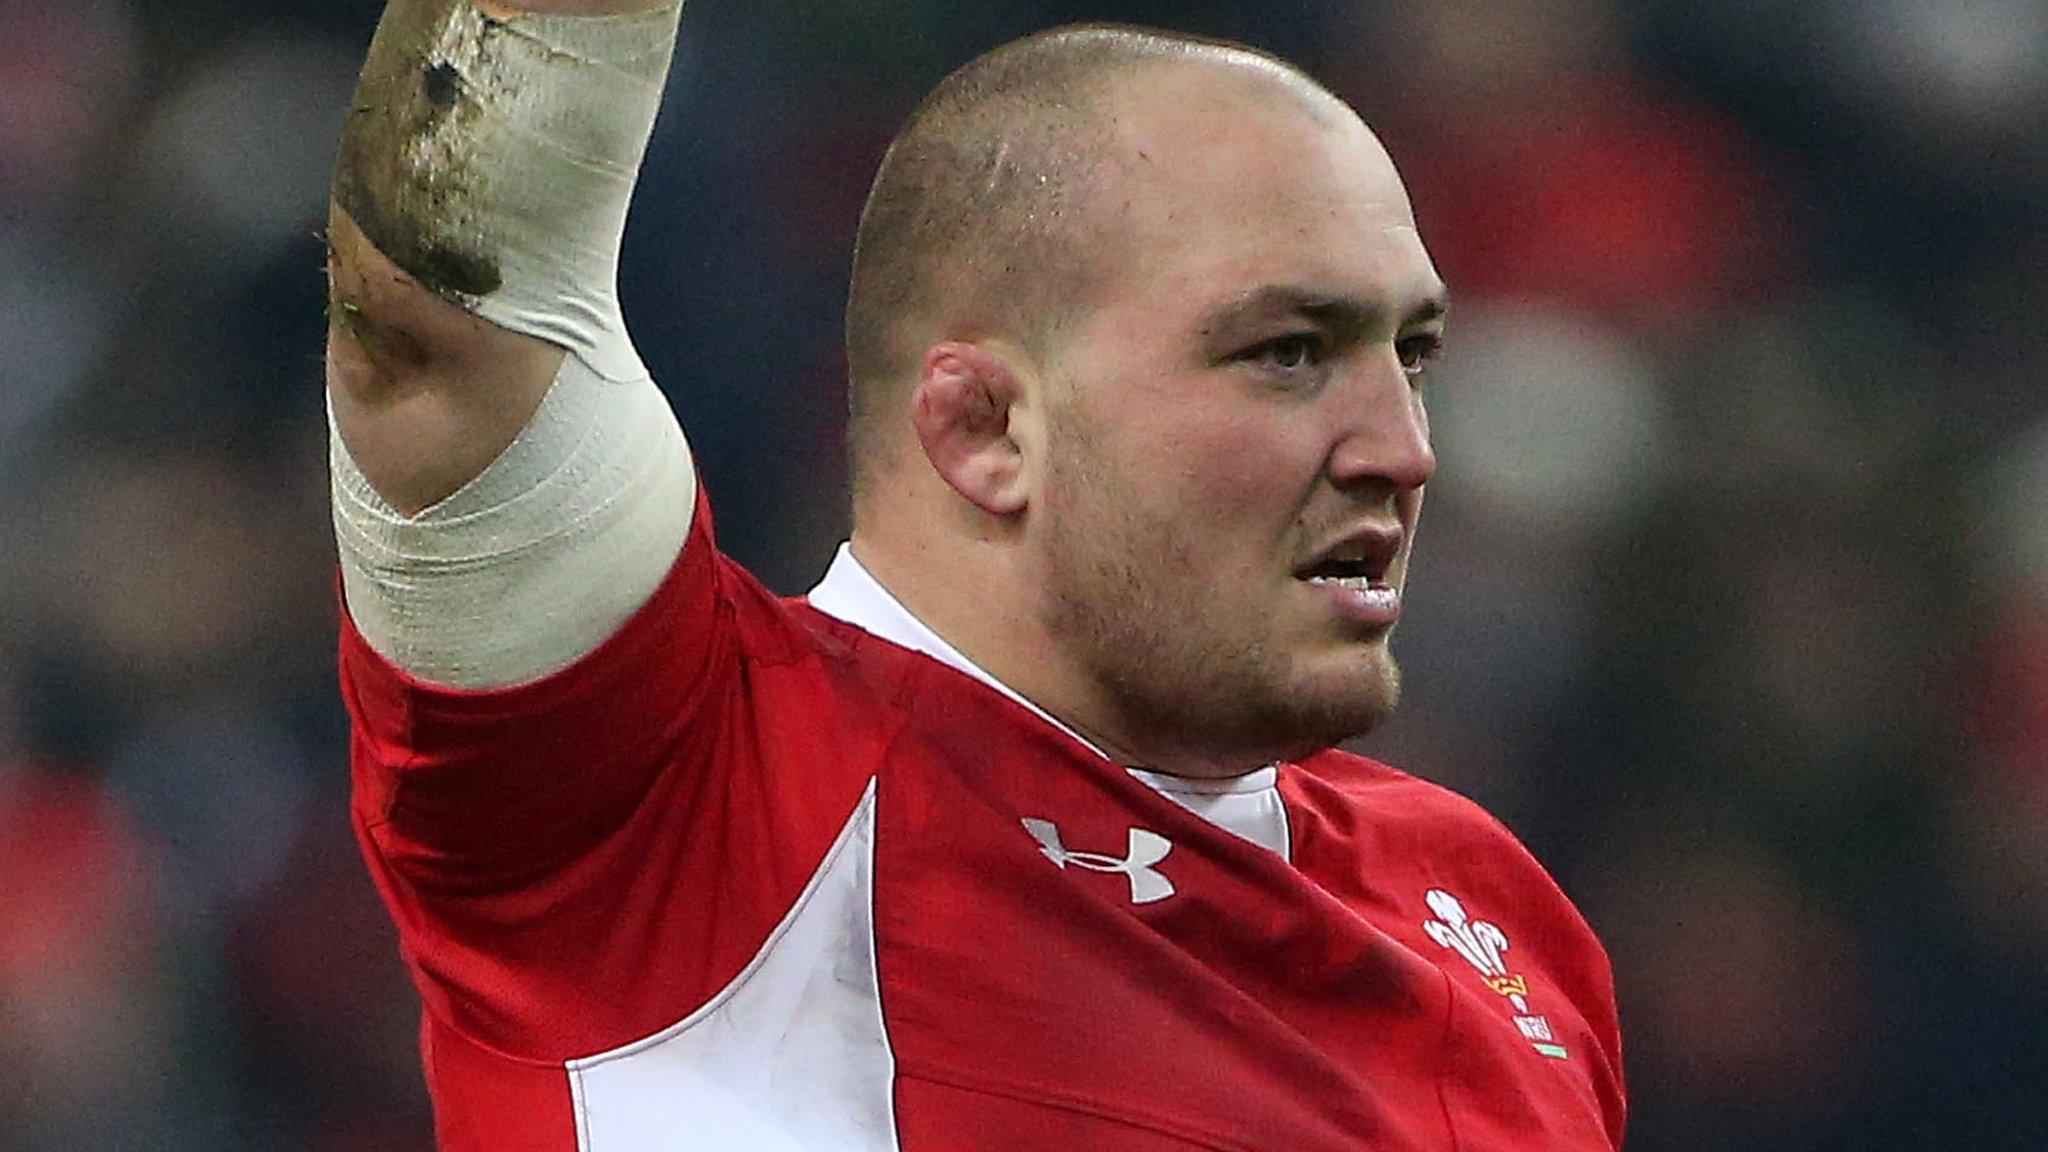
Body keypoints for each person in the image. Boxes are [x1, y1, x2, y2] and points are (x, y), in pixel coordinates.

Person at [325, 0, 1626, 1148]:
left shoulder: (1485, 905)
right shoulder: (672, 789)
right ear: (986, 430)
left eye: (1412, 356)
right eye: (1287, 353)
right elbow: (439, 316)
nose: (1404, 452)